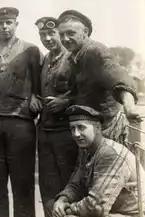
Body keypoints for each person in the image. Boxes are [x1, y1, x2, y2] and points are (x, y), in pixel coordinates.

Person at [0, 7, 42, 217]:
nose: (4, 27)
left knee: (22, 182)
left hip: (21, 121)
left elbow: (40, 83)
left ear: (16, 23)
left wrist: (36, 96)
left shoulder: (30, 50)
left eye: (8, 22)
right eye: (0, 23)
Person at [48, 105, 145, 217]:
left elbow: (96, 206)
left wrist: (67, 210)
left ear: (98, 128)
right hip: (114, 214)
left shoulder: (110, 154)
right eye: (72, 129)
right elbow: (76, 184)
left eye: (81, 127)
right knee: (60, 215)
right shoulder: (87, 151)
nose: (76, 134)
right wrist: (62, 200)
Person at [57, 9, 140, 144]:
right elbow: (81, 91)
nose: (65, 39)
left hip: (107, 128)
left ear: (85, 32)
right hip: (89, 127)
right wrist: (64, 101)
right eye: (62, 34)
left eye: (71, 33)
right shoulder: (74, 57)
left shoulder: (96, 51)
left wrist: (129, 107)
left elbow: (119, 78)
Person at [34, 16, 78, 217]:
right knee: (48, 189)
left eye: (52, 34)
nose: (48, 38)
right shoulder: (44, 60)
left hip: (67, 133)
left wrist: (65, 101)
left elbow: (87, 90)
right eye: (43, 35)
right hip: (45, 132)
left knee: (69, 188)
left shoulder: (73, 58)